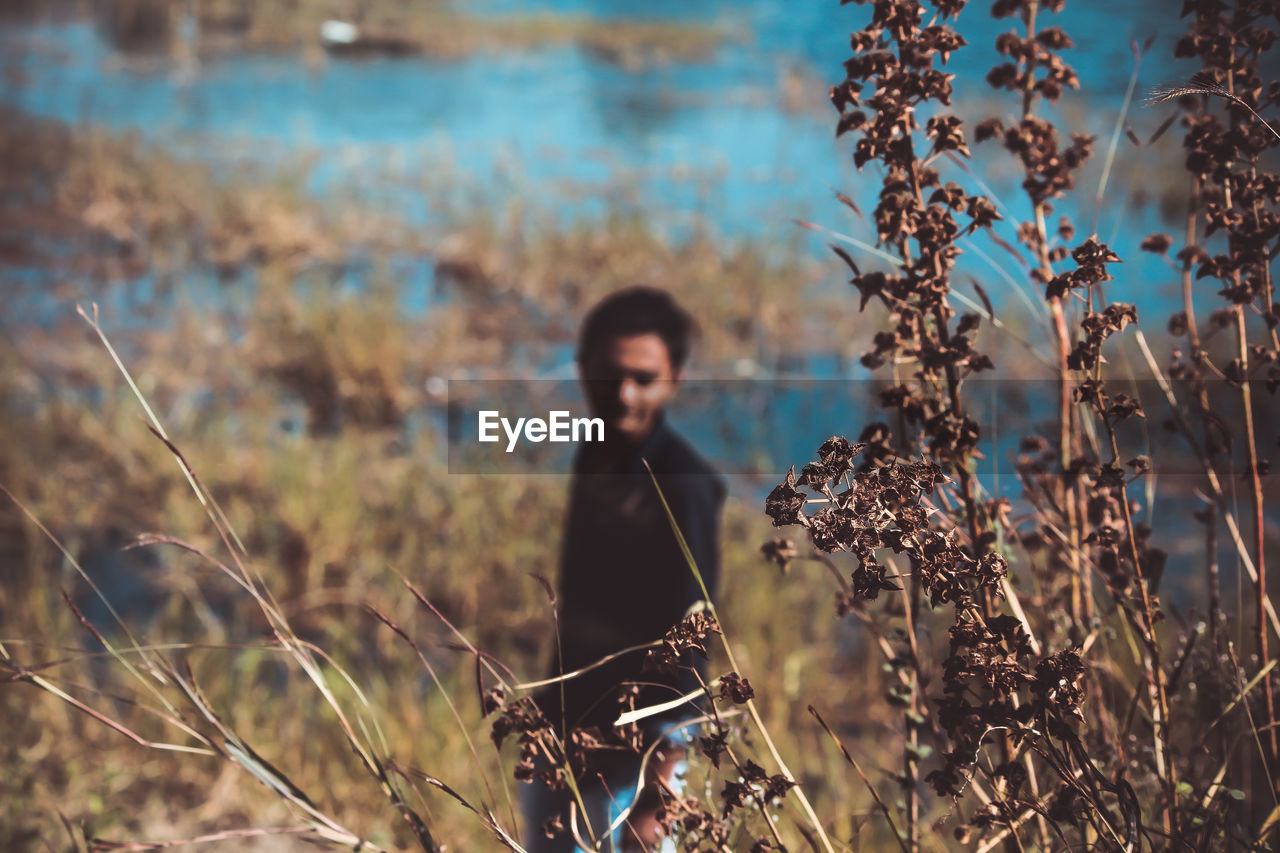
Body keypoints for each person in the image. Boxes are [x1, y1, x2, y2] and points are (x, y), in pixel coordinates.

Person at [523, 287, 726, 852]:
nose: (625, 395)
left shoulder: (684, 487)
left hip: (635, 755)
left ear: (675, 378)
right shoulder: (596, 448)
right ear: (583, 367)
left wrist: (658, 793)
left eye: (644, 378)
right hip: (567, 724)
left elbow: (690, 638)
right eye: (610, 376)